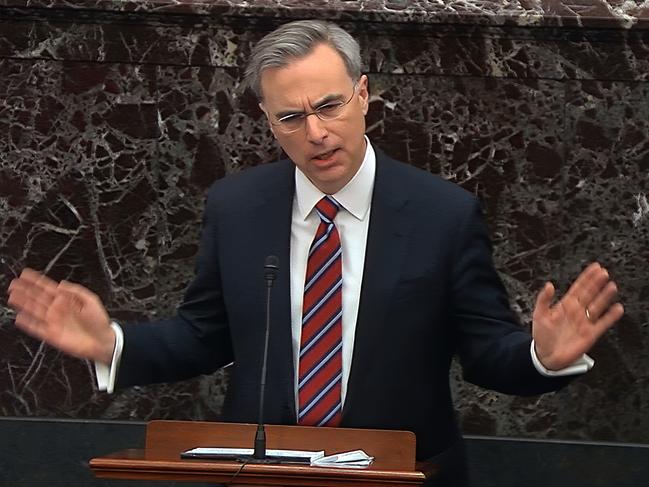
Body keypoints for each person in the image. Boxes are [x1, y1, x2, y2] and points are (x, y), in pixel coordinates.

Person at [7, 20, 623, 486]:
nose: (317, 133)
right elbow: (205, 335)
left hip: (402, 474)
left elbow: (486, 353)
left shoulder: (443, 213)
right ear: (267, 120)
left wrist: (541, 356)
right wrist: (111, 344)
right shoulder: (237, 207)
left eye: (329, 106)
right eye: (291, 117)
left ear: (362, 94)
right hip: (260, 471)